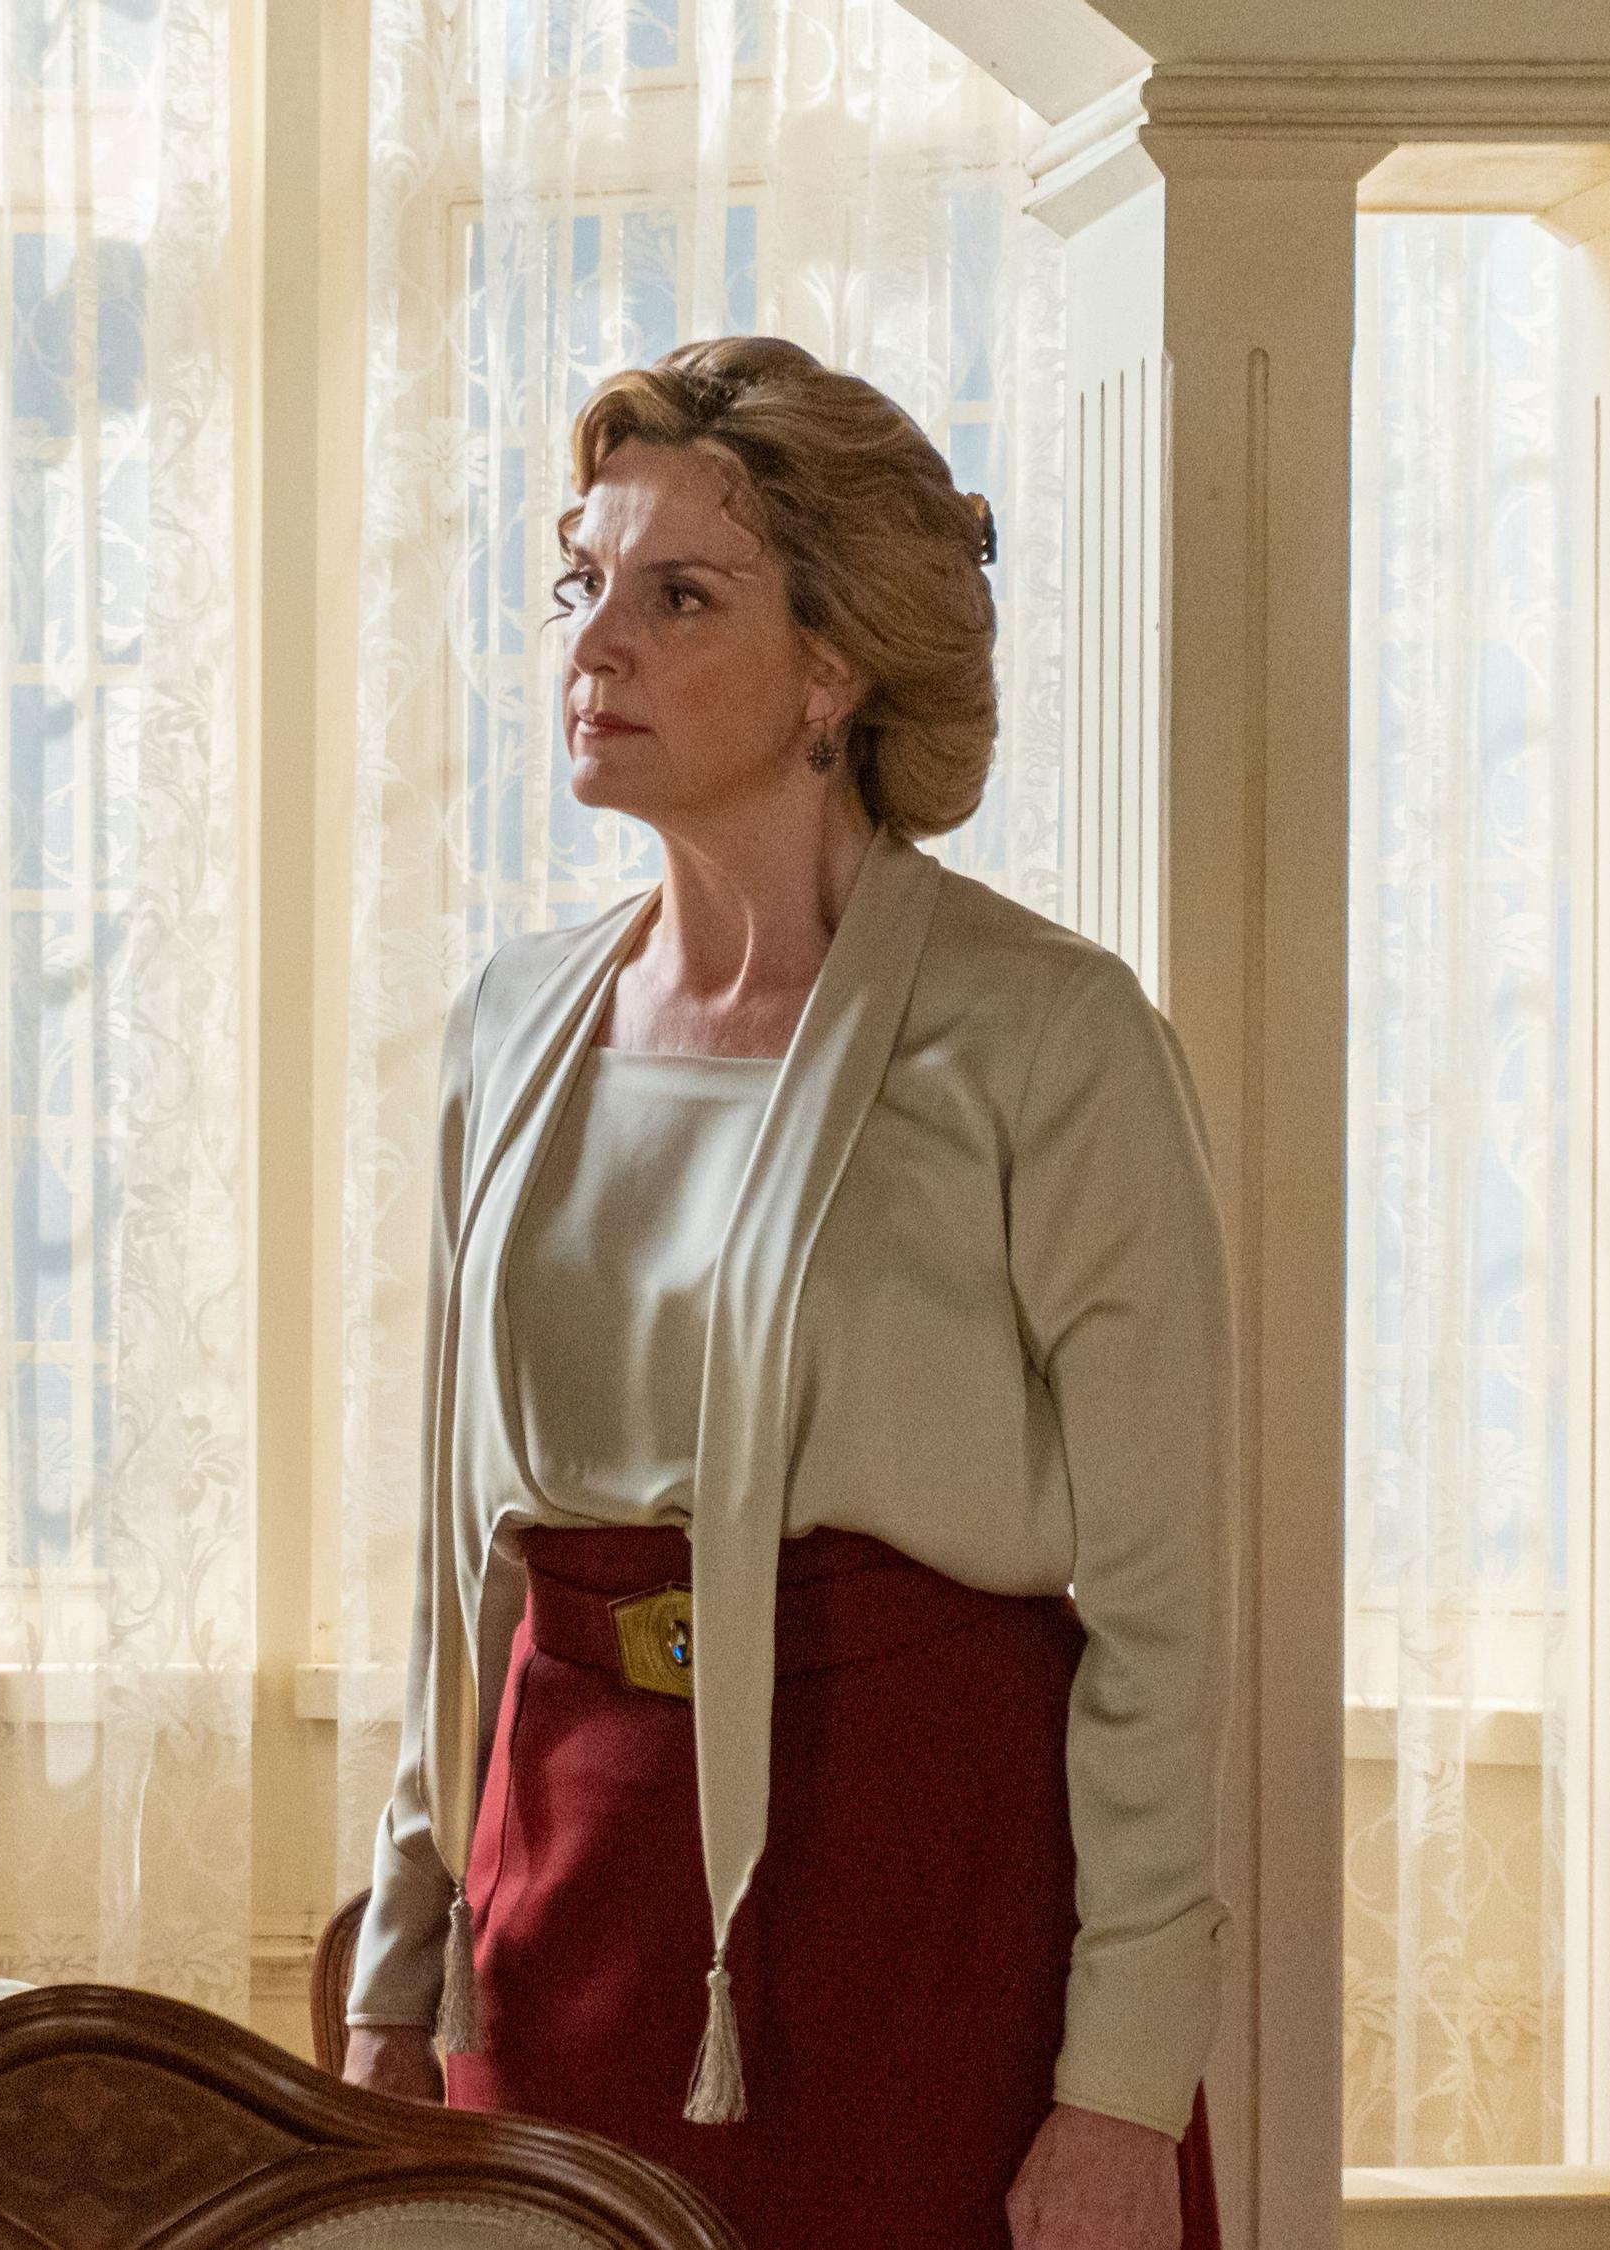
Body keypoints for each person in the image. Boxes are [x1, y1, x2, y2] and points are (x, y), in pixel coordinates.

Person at [337, 335, 1234, 2250]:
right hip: (562, 1911)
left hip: (938, 1909)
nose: (594, 645)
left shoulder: (1052, 1037)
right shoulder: (510, 1024)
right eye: (582, 582)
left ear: (833, 670)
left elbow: (1165, 1615)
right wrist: (399, 1971)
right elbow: (454, 1563)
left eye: (678, 596)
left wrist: (1123, 2084)